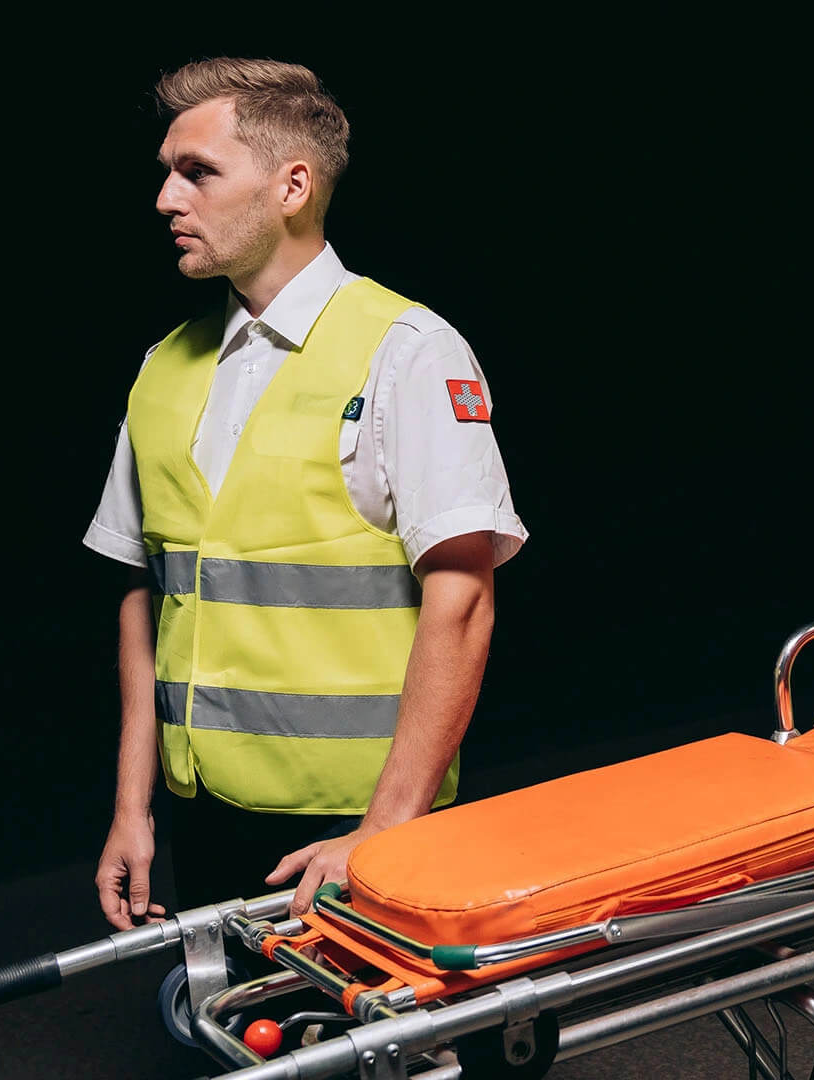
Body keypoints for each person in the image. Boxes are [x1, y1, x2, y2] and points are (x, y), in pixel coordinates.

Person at [87, 58, 527, 930]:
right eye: (167, 174)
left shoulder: (407, 350)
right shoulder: (161, 370)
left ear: (293, 185)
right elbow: (145, 594)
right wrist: (132, 809)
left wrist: (384, 828)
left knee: (379, 1059)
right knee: (233, 1047)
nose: (167, 200)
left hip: (358, 823)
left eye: (197, 172)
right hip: (201, 814)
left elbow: (464, 598)